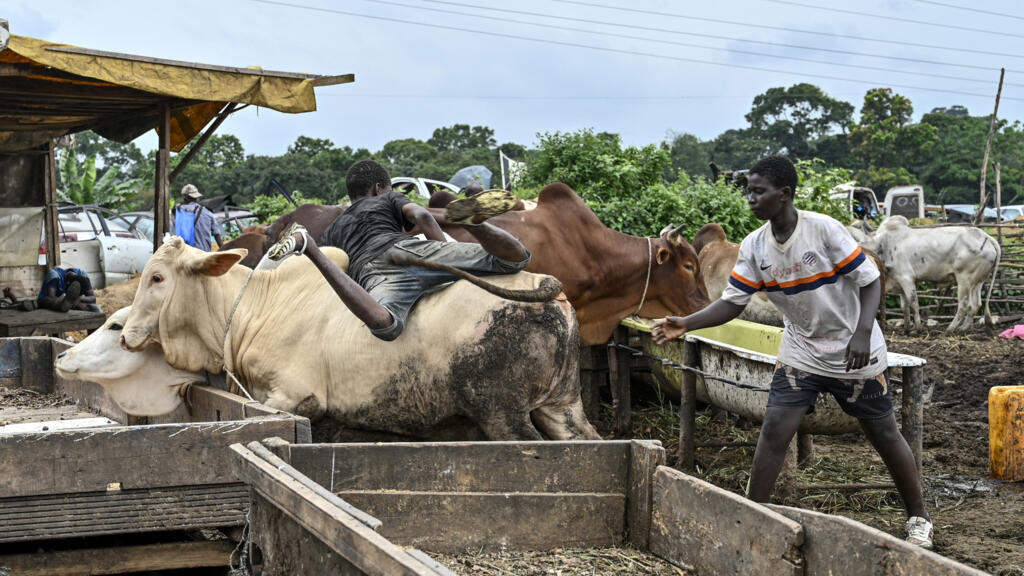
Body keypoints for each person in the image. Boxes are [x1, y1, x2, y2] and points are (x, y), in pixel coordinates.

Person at [652, 156, 933, 549]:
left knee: (884, 434)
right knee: (773, 433)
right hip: (801, 352)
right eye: (748, 190)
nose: (750, 198)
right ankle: (753, 520)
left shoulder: (824, 231)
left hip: (855, 351)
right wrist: (687, 323)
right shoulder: (755, 246)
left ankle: (919, 519)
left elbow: (870, 283)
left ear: (783, 194)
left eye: (758, 191)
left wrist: (862, 334)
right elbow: (733, 302)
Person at [267, 159, 529, 341]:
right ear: (378, 189)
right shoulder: (387, 198)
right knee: (514, 258)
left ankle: (309, 247)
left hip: (371, 272)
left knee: (386, 326)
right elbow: (422, 216)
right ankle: (472, 221)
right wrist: (445, 251)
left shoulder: (334, 228)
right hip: (407, 249)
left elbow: (339, 266)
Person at [174, 184, 223, 251]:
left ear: (185, 197)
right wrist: (224, 250)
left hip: (185, 254)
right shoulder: (208, 213)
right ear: (196, 197)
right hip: (204, 253)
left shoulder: (180, 211)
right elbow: (217, 235)